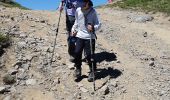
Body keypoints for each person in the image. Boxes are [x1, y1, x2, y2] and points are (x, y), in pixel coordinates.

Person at [71, 0, 101, 82]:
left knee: (89, 56)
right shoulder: (78, 10)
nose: (82, 4)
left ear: (88, 2)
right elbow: (76, 22)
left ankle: (93, 71)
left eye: (84, 2)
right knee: (77, 52)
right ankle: (78, 69)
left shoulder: (93, 11)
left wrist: (93, 28)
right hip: (80, 36)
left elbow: (99, 24)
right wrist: (73, 29)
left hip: (89, 37)